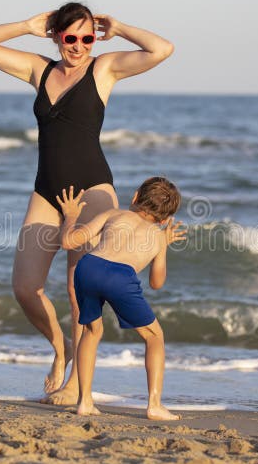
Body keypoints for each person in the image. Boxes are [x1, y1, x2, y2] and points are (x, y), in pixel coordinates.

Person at [0, 3, 174, 403]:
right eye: (71, 37)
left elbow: (162, 49)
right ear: (57, 35)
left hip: (93, 191)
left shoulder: (104, 69)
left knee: (81, 295)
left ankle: (77, 382)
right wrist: (26, 25)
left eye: (87, 38)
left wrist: (121, 27)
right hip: (46, 190)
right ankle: (60, 346)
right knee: (25, 287)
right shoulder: (38, 70)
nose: (78, 46)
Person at [55, 177, 186, 420]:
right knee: (155, 336)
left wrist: (71, 215)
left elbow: (67, 242)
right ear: (166, 219)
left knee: (91, 331)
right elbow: (156, 284)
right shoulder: (157, 237)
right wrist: (164, 244)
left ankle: (85, 402)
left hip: (88, 267)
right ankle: (155, 404)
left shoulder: (112, 214)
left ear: (135, 197)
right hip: (120, 278)